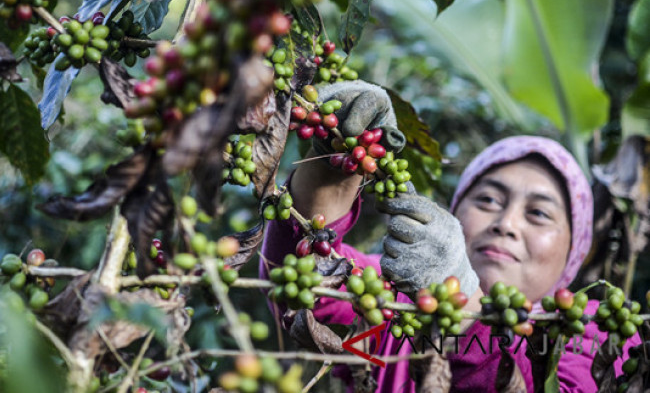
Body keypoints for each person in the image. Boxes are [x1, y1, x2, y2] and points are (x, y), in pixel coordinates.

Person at [259, 82, 639, 392]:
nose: (506, 223)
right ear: (455, 214)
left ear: (575, 249)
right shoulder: (393, 304)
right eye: (488, 199)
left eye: (538, 213)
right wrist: (334, 167)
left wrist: (463, 308)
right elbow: (304, 288)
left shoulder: (597, 332)